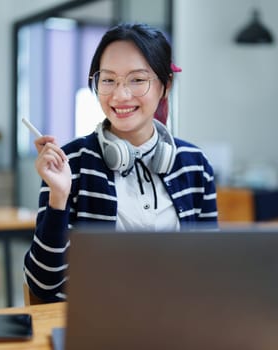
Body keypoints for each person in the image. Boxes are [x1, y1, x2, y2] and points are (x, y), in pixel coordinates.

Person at [24, 23, 218, 302]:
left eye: (137, 80)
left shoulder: (195, 165)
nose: (120, 95)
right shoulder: (70, 163)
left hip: (176, 322)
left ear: (165, 86)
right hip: (95, 325)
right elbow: (43, 285)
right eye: (108, 80)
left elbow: (210, 269)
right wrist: (59, 197)